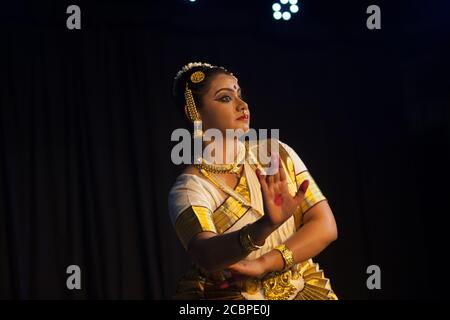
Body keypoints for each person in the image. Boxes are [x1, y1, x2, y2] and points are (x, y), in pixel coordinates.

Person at [168, 62, 338, 300]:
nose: (242, 105)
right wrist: (266, 225)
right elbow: (206, 254)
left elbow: (325, 226)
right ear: (194, 112)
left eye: (240, 95)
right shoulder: (190, 188)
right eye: (225, 98)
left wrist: (265, 263)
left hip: (303, 289)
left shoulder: (274, 153)